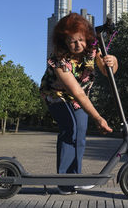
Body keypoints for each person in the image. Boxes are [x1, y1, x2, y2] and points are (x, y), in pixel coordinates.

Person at [40, 13, 117, 195]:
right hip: (56, 95)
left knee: (80, 132)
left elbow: (108, 72)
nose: (77, 45)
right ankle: (64, 181)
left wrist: (113, 62)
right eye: (72, 41)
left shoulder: (92, 48)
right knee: (70, 128)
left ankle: (76, 176)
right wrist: (98, 117)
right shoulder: (59, 60)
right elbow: (77, 92)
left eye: (81, 40)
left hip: (79, 97)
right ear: (64, 41)